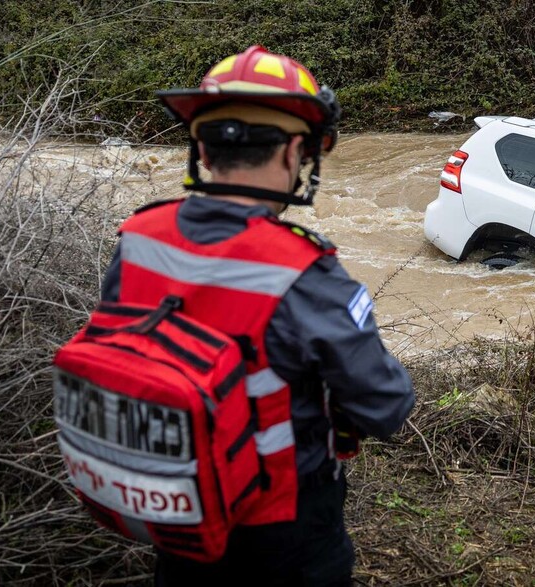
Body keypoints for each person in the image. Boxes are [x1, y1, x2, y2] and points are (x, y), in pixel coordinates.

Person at [99, 46, 415, 585]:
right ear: (297, 151)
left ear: (200, 146)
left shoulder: (137, 237)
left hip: (176, 510)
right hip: (282, 532)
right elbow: (386, 405)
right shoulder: (305, 270)